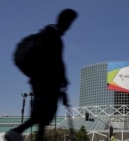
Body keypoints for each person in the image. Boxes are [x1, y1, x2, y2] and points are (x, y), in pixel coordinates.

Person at [5, 8, 78, 141]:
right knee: (41, 116)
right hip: (46, 82)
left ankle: (18, 132)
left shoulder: (51, 33)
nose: (68, 27)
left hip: (41, 81)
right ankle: (16, 131)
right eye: (69, 23)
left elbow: (58, 63)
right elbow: (56, 62)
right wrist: (61, 80)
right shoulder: (52, 34)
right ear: (64, 21)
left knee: (43, 119)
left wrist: (62, 81)